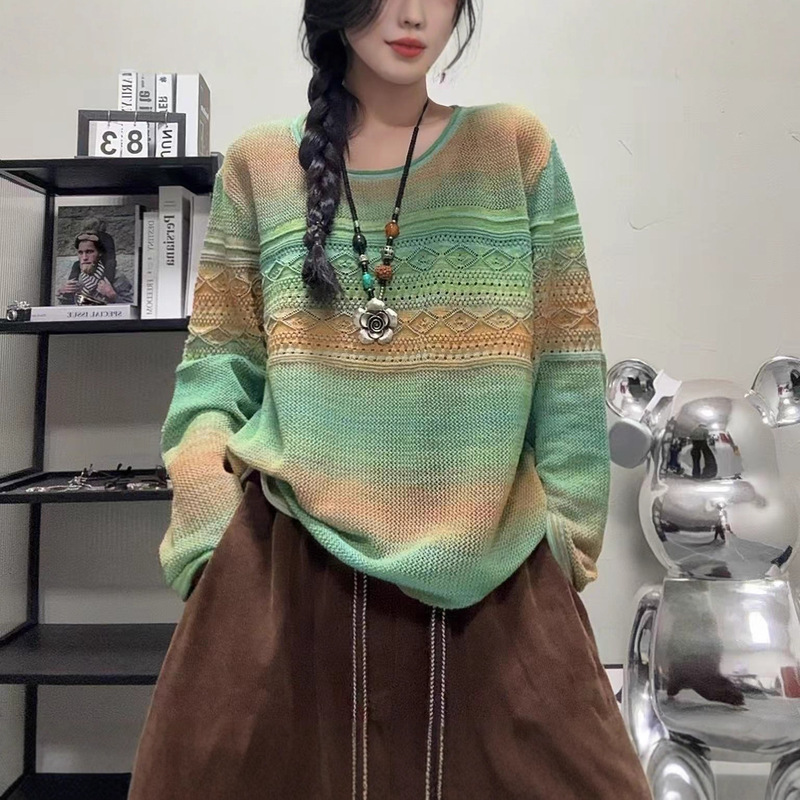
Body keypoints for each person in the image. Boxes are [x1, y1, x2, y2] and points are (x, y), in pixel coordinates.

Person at [128, 2, 653, 798]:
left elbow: (567, 366)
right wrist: (211, 538)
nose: (412, 14)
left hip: (496, 584)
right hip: (284, 579)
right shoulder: (259, 165)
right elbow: (216, 371)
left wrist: (564, 541)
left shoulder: (515, 148)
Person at [56, 231, 132, 305]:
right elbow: (66, 309)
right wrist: (64, 294)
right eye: (80, 253)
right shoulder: (75, 279)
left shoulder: (117, 277)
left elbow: (130, 307)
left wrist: (113, 296)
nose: (84, 257)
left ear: (100, 253)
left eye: (89, 252)